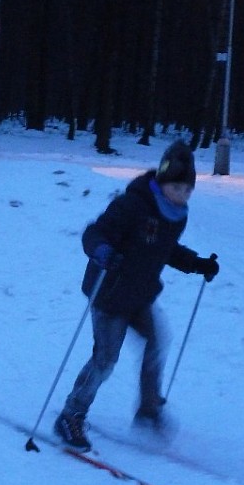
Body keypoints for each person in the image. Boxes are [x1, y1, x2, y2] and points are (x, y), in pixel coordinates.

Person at [54, 141, 220, 450]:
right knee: (105, 360)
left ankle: (149, 408)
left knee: (157, 343)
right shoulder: (132, 204)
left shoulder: (177, 215)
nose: (183, 196)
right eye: (178, 187)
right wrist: (102, 251)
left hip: (139, 295)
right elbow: (95, 232)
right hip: (110, 295)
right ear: (163, 181)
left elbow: (165, 249)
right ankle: (71, 414)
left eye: (188, 190)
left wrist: (197, 264)